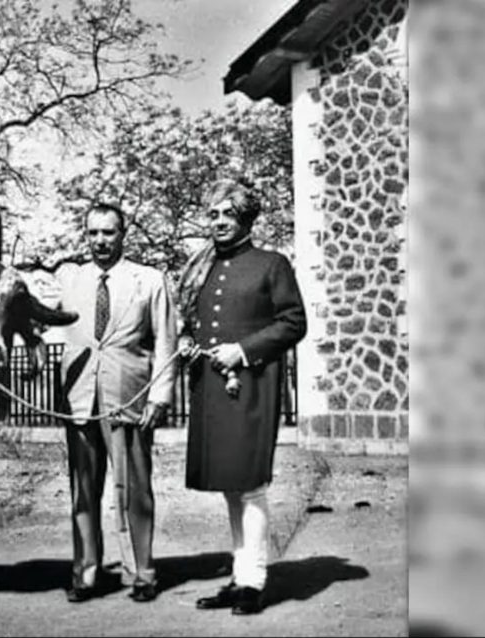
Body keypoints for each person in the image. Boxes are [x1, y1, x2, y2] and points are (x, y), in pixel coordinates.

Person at [176, 178, 307, 615]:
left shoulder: (272, 264)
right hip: (212, 386)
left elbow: (293, 323)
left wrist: (243, 350)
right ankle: (239, 575)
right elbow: (199, 320)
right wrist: (189, 342)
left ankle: (254, 581)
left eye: (227, 214)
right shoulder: (202, 266)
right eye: (212, 214)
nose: (218, 222)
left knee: (249, 486)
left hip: (251, 384)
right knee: (231, 488)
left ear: (245, 218)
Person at [56, 202, 177, 603]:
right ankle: (85, 573)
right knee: (83, 492)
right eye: (92, 233)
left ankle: (142, 573)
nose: (100, 241)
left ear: (123, 234)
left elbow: (165, 342)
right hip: (80, 402)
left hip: (130, 398)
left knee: (135, 491)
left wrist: (160, 395)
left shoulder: (148, 280)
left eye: (108, 233)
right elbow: (40, 319)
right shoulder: (70, 280)